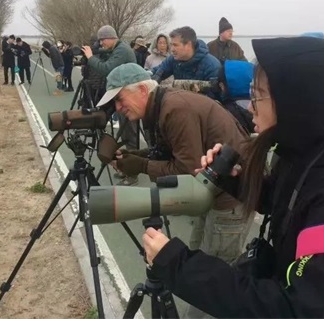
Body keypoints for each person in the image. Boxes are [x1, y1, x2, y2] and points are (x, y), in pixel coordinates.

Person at [142, 37, 324, 318]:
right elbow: (287, 206)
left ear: (297, 102)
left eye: (257, 94)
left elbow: (294, 309)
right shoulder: (306, 149)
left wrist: (178, 265)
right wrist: (232, 180)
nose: (251, 107)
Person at [96, 63, 255, 315]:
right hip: (213, 193)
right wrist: (138, 155)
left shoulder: (174, 109)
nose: (117, 108)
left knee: (214, 278)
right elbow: (175, 151)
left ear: (140, 90)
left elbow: (187, 171)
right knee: (197, 260)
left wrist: (143, 165)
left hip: (230, 198)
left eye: (119, 99)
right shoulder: (162, 105)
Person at [82, 25, 138, 185]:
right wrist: (94, 52)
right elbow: (105, 53)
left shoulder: (122, 50)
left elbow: (106, 69)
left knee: (130, 137)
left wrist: (91, 57)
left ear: (108, 38)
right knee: (126, 135)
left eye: (102, 41)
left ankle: (133, 174)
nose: (101, 45)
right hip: (123, 97)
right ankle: (127, 169)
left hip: (130, 99)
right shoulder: (119, 48)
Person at [151, 26, 221, 98]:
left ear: (188, 45)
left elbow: (216, 98)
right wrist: (146, 76)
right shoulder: (173, 59)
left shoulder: (212, 66)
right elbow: (159, 71)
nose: (172, 49)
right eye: (171, 45)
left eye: (175, 45)